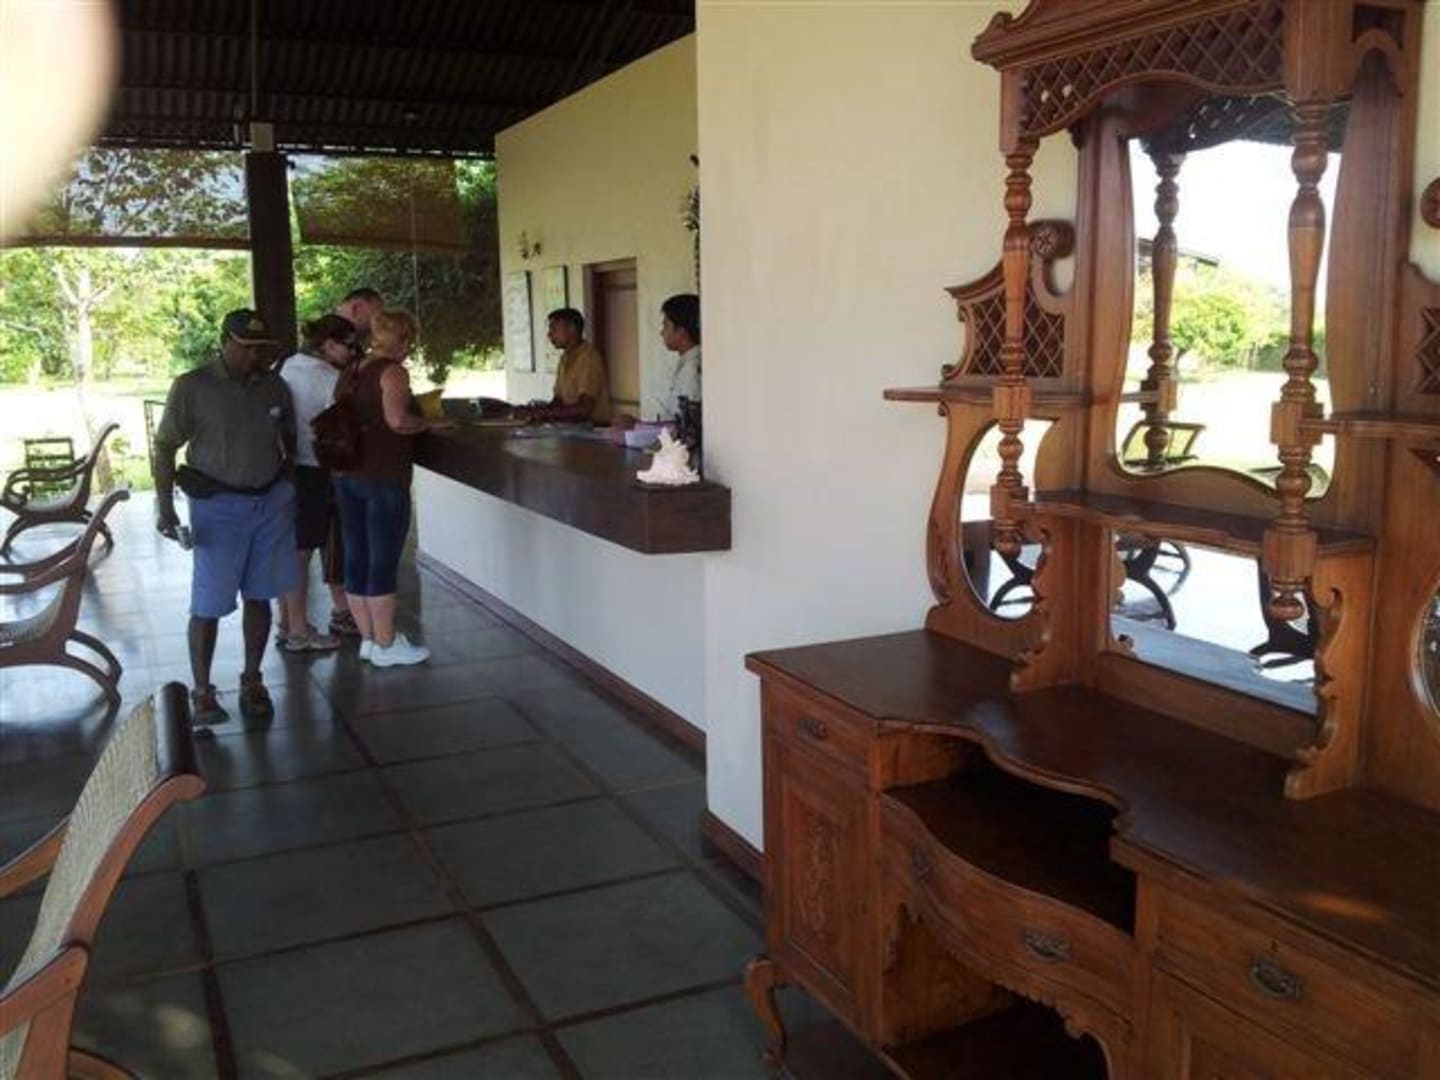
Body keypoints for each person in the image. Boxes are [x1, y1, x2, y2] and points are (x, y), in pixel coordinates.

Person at [153, 309, 299, 726]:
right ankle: (202, 693)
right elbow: (165, 446)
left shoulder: (274, 385)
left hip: (269, 503)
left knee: (261, 595)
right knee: (209, 602)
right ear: (224, 342)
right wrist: (165, 507)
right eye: (246, 347)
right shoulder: (192, 386)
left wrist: (287, 482)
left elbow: (289, 436)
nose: (255, 355)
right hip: (217, 507)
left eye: (261, 348)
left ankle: (253, 680)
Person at [332, 308, 450, 667]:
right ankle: (386, 644)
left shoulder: (352, 369)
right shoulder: (392, 372)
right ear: (400, 338)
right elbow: (397, 419)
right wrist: (429, 424)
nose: (410, 347)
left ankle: (369, 640)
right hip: (383, 477)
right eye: (408, 339)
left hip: (347, 474)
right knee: (382, 560)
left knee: (357, 558)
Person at [275, 313, 359, 652]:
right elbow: (346, 422)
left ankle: (286, 623)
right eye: (349, 345)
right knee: (302, 553)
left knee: (291, 549)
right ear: (328, 344)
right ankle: (299, 631)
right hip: (313, 469)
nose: (354, 352)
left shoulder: (288, 364)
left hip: (286, 468)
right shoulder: (329, 377)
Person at [523, 308, 613, 423]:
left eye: (554, 329)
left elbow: (584, 409)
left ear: (572, 329)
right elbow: (558, 401)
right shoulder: (565, 358)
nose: (549, 334)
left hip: (594, 428)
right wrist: (532, 411)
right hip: (571, 427)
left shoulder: (588, 358)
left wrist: (542, 413)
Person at [658, 293, 701, 421]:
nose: (661, 332)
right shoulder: (688, 362)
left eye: (666, 326)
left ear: (682, 332)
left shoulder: (692, 369)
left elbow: (685, 424)